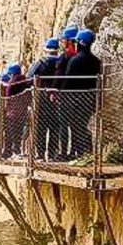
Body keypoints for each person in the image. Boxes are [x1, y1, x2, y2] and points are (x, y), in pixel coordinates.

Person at [62, 28, 103, 159]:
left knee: (75, 127)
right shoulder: (97, 62)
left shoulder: (74, 61)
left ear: (79, 42)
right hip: (89, 98)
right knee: (82, 125)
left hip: (74, 99)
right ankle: (83, 152)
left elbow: (67, 81)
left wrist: (61, 95)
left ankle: (79, 152)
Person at [48, 25, 79, 160]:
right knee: (75, 125)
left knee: (63, 124)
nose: (62, 42)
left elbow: (58, 76)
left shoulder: (64, 57)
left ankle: (63, 153)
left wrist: (53, 91)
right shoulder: (78, 56)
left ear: (68, 40)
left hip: (65, 95)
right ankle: (75, 151)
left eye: (64, 40)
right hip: (78, 95)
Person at [27, 37, 61, 160]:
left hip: (41, 98)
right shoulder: (61, 62)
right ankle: (52, 154)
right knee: (54, 127)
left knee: (40, 127)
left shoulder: (40, 63)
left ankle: (40, 154)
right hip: (58, 98)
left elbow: (28, 78)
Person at [0, 63, 28, 157]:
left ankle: (10, 152)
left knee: (10, 132)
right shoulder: (25, 80)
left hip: (12, 112)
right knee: (18, 132)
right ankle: (15, 150)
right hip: (22, 111)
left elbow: (8, 93)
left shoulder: (14, 82)